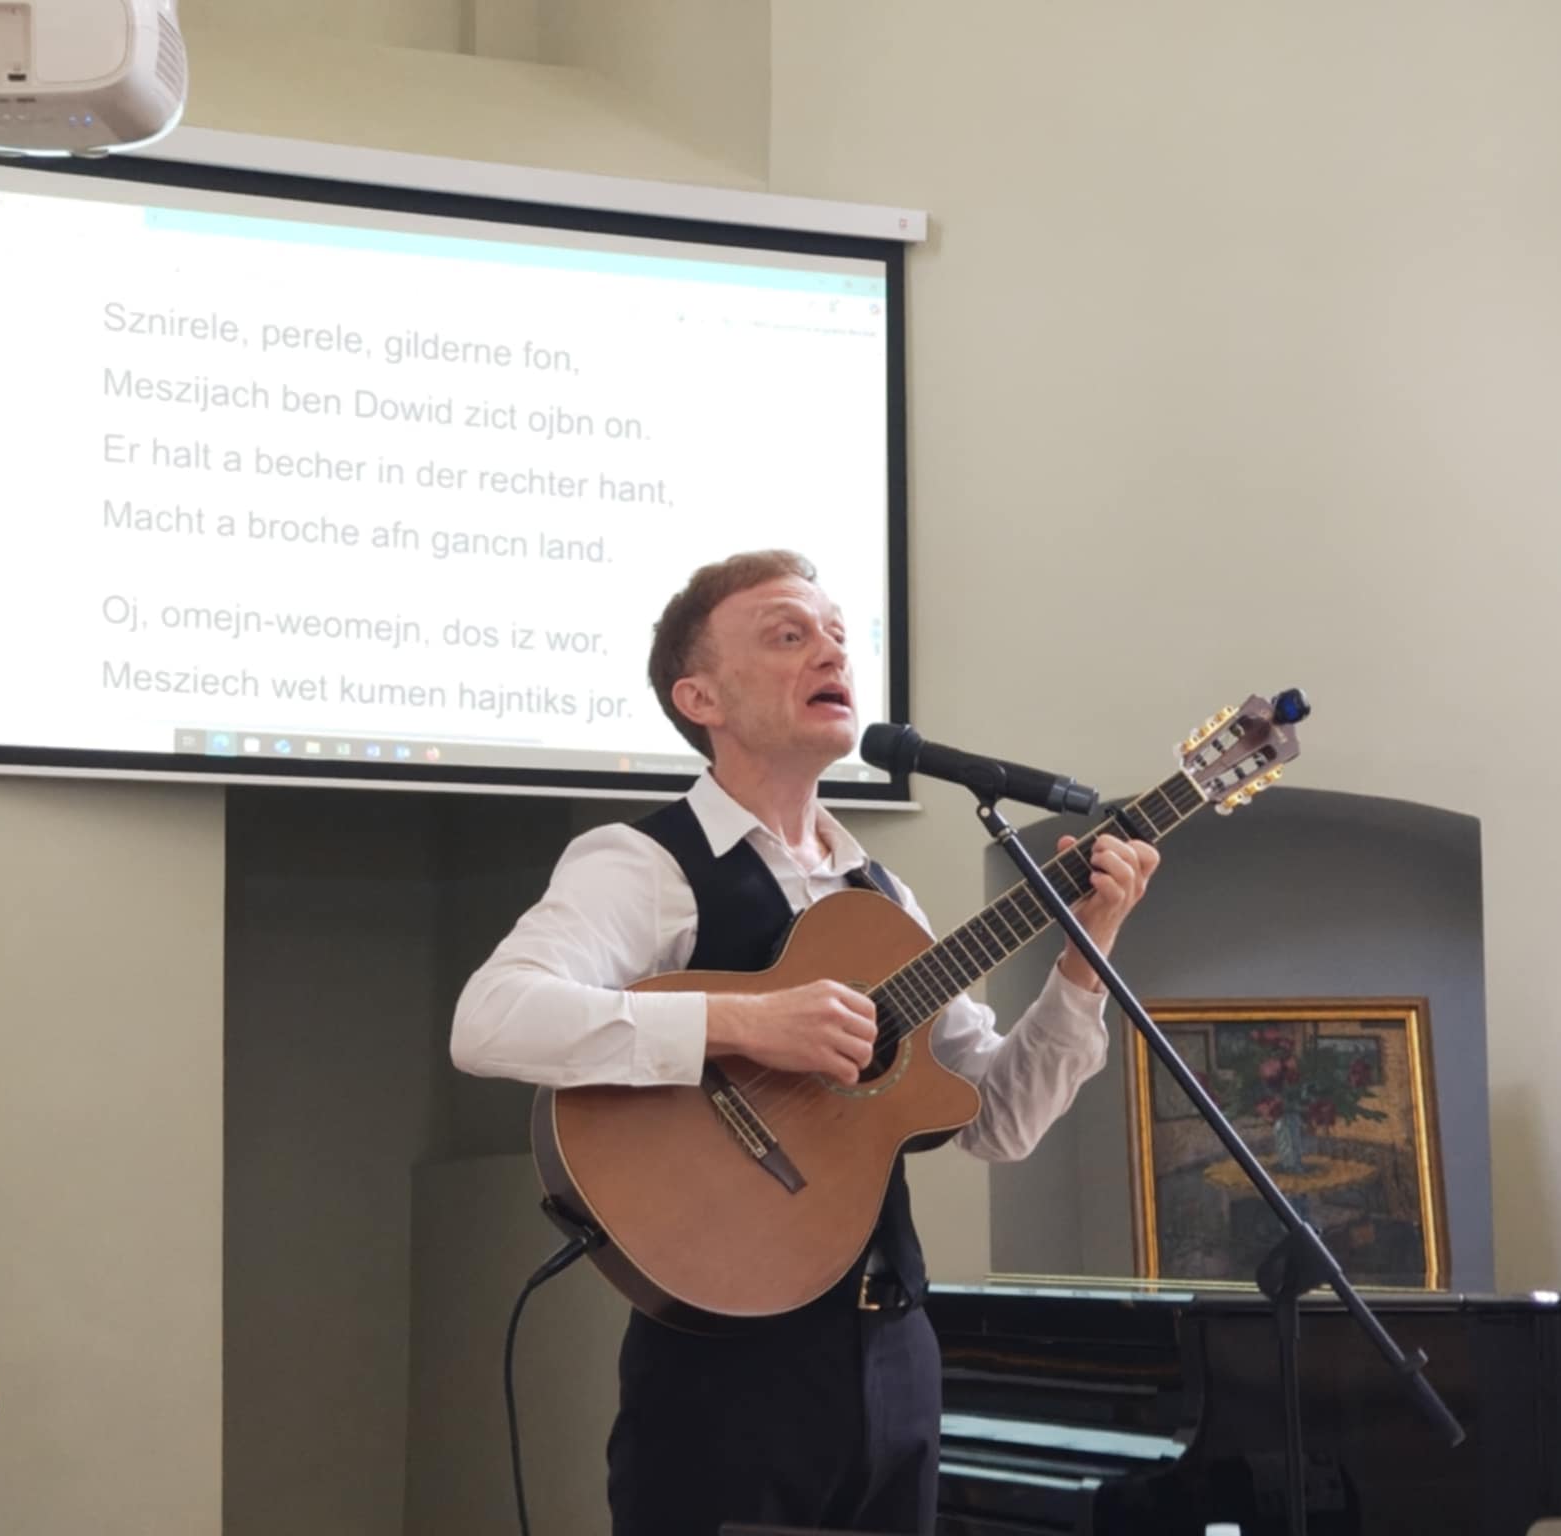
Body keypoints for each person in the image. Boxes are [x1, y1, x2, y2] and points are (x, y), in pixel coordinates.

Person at [452, 549, 1159, 1535]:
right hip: (726, 1373)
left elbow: (999, 1121)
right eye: (788, 635)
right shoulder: (643, 864)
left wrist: (1086, 954)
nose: (829, 651)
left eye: (835, 634)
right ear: (700, 698)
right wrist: (747, 1022)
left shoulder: (883, 898)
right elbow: (492, 1018)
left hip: (899, 1354)